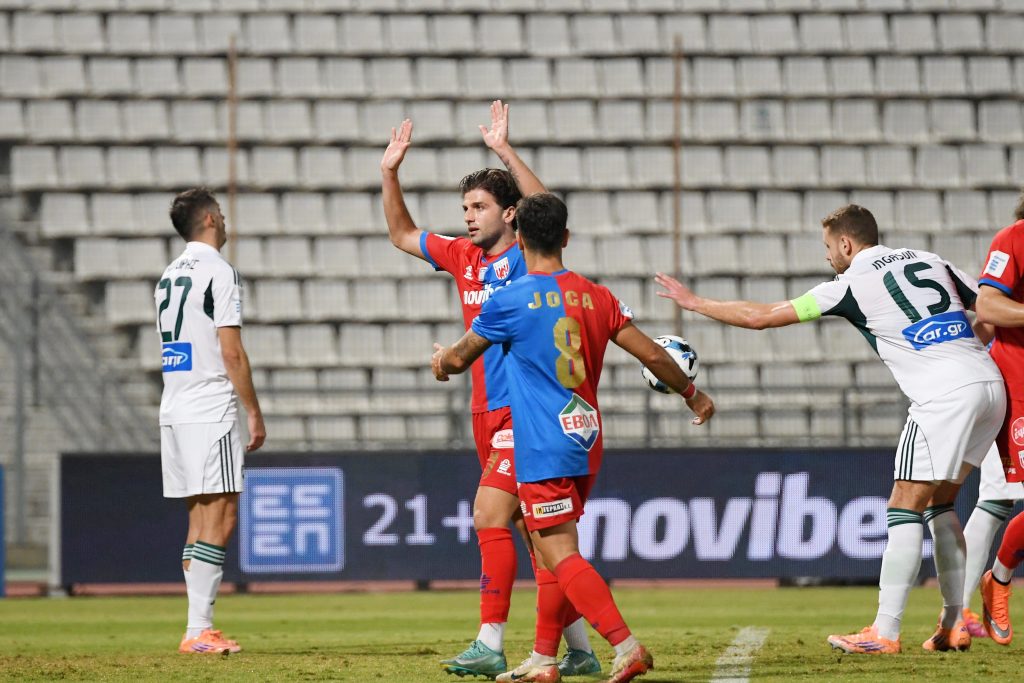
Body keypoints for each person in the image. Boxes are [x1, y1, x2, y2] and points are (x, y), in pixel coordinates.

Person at [656, 204, 1005, 655]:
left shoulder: (850, 283)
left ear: (845, 243)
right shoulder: (931, 260)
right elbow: (990, 311)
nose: (827, 256)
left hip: (943, 396)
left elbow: (761, 316)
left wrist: (696, 303)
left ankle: (884, 631)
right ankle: (954, 623)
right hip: (988, 385)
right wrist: (960, 355)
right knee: (941, 503)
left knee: (903, 505)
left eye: (827, 247)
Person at [432, 193, 715, 683]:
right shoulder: (597, 296)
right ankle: (544, 658)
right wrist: (693, 394)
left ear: (520, 240)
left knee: (560, 555)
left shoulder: (510, 300)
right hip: (584, 437)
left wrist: (440, 360)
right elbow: (652, 354)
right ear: (565, 237)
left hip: (540, 443)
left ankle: (626, 646)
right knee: (550, 549)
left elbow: (458, 359)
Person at [381, 101, 597, 678]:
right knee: (535, 538)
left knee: (489, 516)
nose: (469, 217)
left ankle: (490, 639)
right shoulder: (462, 256)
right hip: (483, 410)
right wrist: (389, 172)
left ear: (510, 213)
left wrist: (504, 151)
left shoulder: (530, 260)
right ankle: (579, 649)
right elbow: (401, 233)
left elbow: (546, 207)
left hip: (521, 413)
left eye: (478, 207)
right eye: (465, 209)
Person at [157, 188, 266, 654]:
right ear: (207, 219)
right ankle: (198, 630)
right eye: (219, 212)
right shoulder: (219, 271)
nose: (224, 219)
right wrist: (253, 410)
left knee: (200, 519)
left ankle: (195, 628)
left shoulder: (168, 275)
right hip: (209, 406)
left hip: (175, 406)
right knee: (221, 514)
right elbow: (231, 351)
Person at [973, 198, 1024, 646]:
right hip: (1018, 382)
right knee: (996, 500)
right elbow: (988, 307)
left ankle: (996, 581)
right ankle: (994, 583)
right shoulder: (1014, 239)